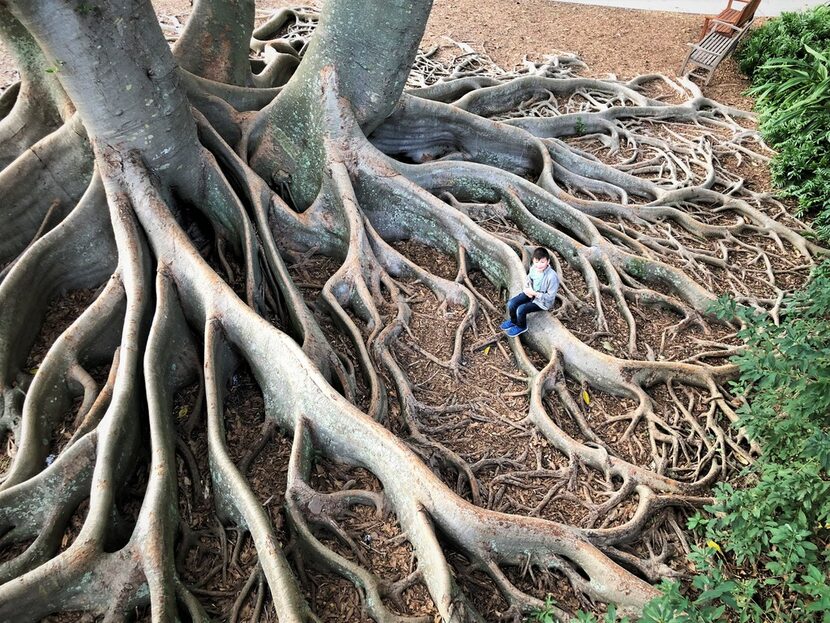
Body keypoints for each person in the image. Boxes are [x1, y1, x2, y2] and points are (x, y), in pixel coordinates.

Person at [500, 247, 559, 337]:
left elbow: (550, 297)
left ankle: (521, 326)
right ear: (533, 261)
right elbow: (528, 279)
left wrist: (535, 294)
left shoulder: (552, 277)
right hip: (530, 294)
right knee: (511, 303)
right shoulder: (533, 269)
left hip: (542, 302)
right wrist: (526, 289)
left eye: (542, 262)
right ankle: (513, 321)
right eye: (536, 262)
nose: (539, 265)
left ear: (548, 261)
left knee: (521, 309)